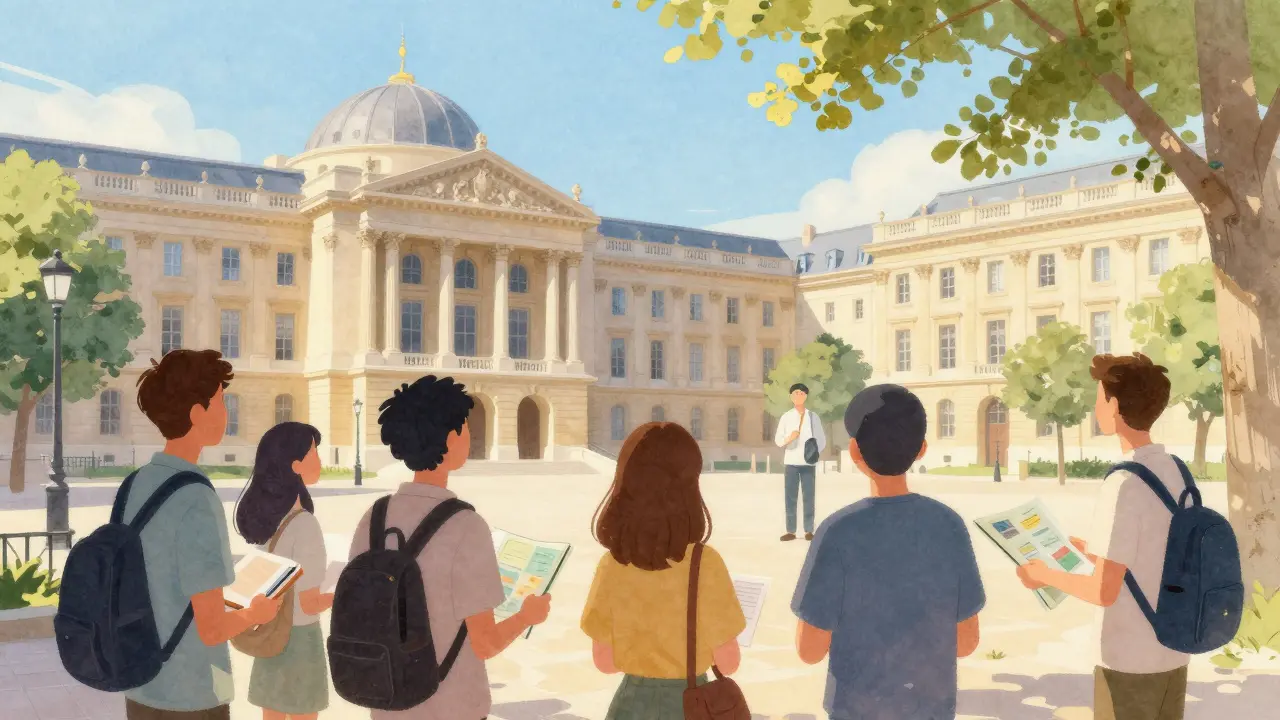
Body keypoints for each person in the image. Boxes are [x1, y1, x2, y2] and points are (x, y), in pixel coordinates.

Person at [347, 375, 551, 720]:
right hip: (452, 705)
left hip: (386, 702)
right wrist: (526, 617)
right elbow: (485, 643)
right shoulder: (466, 526)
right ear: (452, 436)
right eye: (465, 427)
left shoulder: (374, 517)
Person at [792, 384, 984, 720]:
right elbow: (966, 642)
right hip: (931, 708)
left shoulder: (837, 531)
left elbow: (809, 650)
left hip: (857, 709)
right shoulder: (949, 525)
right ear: (922, 449)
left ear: (854, 452)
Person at [1016, 353, 1189, 720]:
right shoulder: (1176, 471)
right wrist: (1093, 549)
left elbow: (1102, 591)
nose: (1096, 407)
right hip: (1174, 649)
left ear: (1113, 405)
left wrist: (1042, 575)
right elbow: (1153, 550)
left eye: (1099, 398)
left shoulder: (1124, 482)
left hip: (1128, 658)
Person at [126, 349, 282, 720]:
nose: (225, 413)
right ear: (198, 413)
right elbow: (211, 629)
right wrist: (254, 613)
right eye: (220, 401)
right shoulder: (195, 495)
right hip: (192, 690)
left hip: (140, 682)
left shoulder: (135, 483)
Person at [581, 421, 746, 719]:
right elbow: (729, 662)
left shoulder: (611, 565)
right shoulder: (704, 563)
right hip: (691, 704)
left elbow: (604, 661)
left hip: (629, 706)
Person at [234, 422, 334, 720]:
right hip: (301, 641)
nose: (320, 461)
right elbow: (308, 602)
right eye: (314, 453)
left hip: (272, 637)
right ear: (296, 465)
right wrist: (340, 594)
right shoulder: (304, 525)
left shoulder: (269, 523)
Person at [772, 382, 826, 541]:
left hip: (808, 463)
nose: (799, 396)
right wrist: (790, 438)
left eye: (802, 393)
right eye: (796, 393)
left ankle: (809, 530)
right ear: (791, 396)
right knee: (790, 497)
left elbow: (821, 439)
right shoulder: (786, 417)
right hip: (791, 461)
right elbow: (778, 440)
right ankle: (791, 530)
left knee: (809, 497)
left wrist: (814, 452)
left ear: (806, 396)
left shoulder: (812, 417)